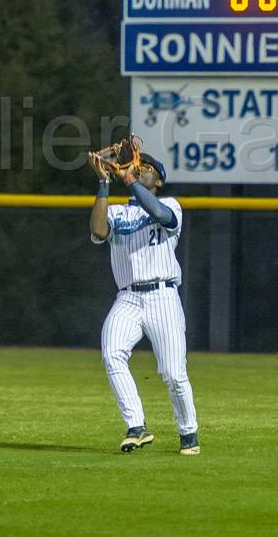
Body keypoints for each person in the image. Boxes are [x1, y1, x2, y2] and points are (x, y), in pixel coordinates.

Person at [88, 150, 199, 455]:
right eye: (140, 165)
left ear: (159, 180)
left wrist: (126, 178)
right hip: (128, 297)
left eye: (148, 167)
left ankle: (188, 432)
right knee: (112, 354)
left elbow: (162, 218)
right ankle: (136, 426)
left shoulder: (169, 205)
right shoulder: (118, 212)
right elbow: (98, 230)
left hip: (163, 296)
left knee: (174, 373)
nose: (141, 168)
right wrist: (103, 183)